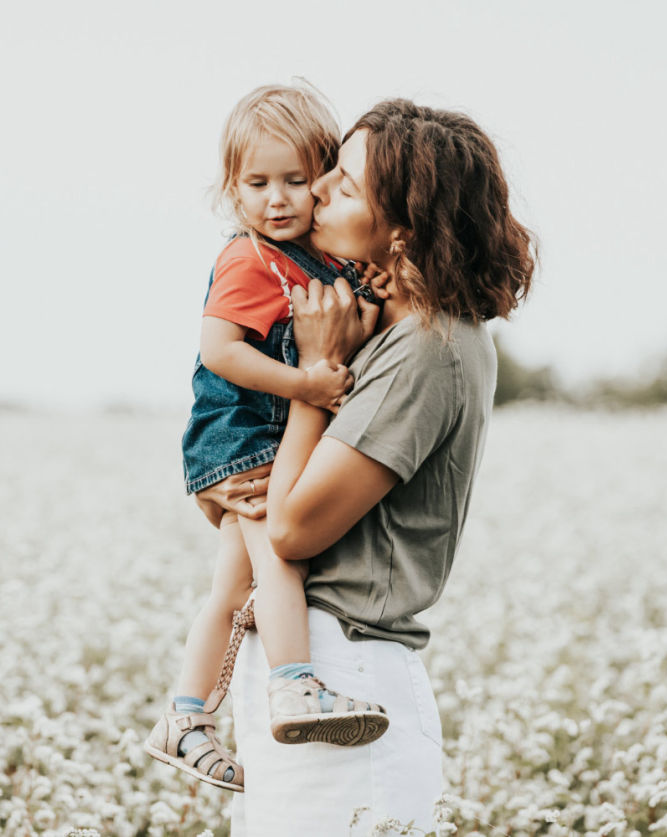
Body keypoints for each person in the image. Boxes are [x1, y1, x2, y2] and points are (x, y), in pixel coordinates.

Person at [195, 99, 537, 834]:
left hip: (345, 674)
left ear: (403, 228)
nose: (315, 191)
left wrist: (318, 369)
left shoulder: (430, 349)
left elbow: (290, 528)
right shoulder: (389, 328)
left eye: (342, 186)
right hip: (309, 676)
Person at [145, 83, 390, 794]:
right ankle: (294, 685)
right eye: (257, 182)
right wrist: (306, 386)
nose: (277, 198)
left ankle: (184, 716)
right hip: (244, 434)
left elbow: (350, 330)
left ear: (327, 179)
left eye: (295, 179)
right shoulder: (250, 260)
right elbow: (221, 351)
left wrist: (368, 300)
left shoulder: (319, 258)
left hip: (265, 433)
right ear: (231, 187)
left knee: (230, 582)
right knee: (280, 560)